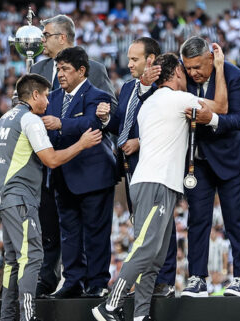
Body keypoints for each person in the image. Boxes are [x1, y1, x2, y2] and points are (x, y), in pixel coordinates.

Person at [92, 49, 227, 321]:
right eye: (184, 71)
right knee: (145, 249)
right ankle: (108, 305)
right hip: (158, 183)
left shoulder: (149, 104)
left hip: (146, 182)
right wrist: (220, 68)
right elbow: (221, 107)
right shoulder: (180, 99)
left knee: (153, 255)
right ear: (177, 72)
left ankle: (141, 315)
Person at [0, 73, 102, 321]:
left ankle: (8, 316)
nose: (48, 101)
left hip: (4, 197)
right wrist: (82, 144)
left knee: (13, 261)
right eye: (45, 95)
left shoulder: (3, 120)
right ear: (34, 95)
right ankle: (28, 316)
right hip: (21, 198)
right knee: (32, 257)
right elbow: (51, 160)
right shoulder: (30, 120)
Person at [29, 14, 117, 298]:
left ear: (81, 71)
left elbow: (95, 122)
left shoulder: (96, 94)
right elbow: (46, 130)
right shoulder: (52, 97)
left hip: (93, 174)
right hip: (63, 175)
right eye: (59, 69)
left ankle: (98, 283)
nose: (61, 74)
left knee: (96, 233)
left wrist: (62, 124)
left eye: (65, 69)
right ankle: (72, 281)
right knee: (69, 233)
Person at [96, 37, 177, 297]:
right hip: (132, 168)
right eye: (129, 58)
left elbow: (170, 123)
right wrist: (107, 117)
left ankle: (163, 281)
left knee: (162, 226)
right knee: (141, 228)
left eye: (135, 59)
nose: (128, 64)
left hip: (155, 166)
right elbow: (123, 122)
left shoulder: (164, 87)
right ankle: (144, 284)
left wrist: (140, 142)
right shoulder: (130, 87)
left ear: (150, 60)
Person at [179, 36, 240, 297]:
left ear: (211, 58)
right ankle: (197, 278)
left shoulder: (235, 76)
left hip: (232, 159)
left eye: (197, 67)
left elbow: (238, 119)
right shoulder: (183, 75)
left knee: (238, 220)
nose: (193, 73)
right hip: (198, 160)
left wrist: (211, 118)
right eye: (188, 68)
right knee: (197, 220)